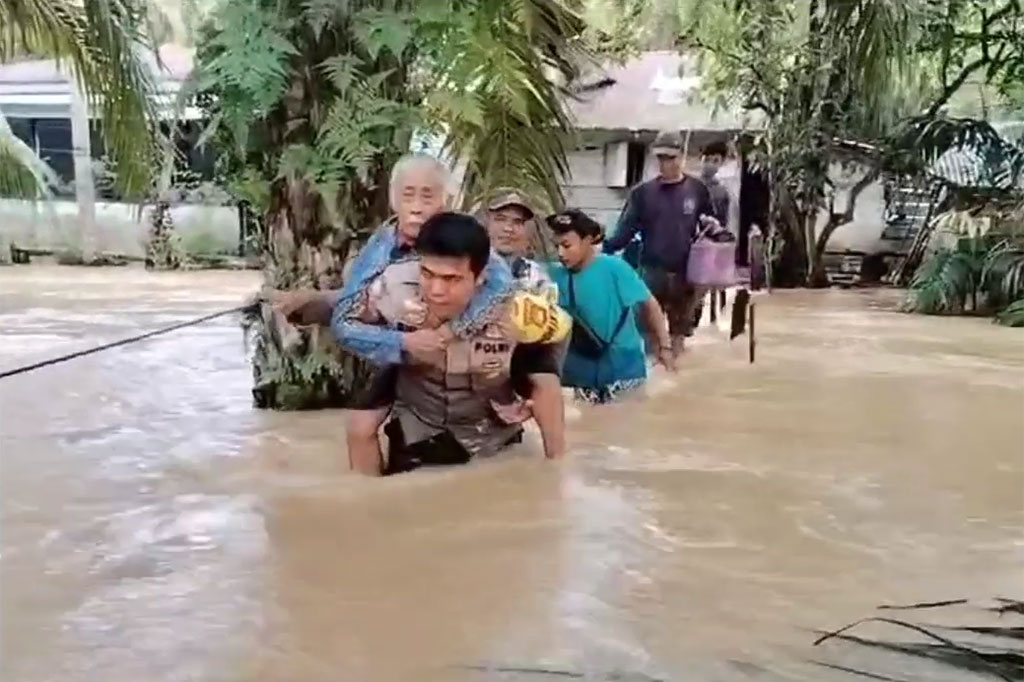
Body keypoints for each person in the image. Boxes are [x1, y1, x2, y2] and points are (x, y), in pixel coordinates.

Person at [271, 154, 516, 472]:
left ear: (445, 200)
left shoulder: (462, 238)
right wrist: (404, 343)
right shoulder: (381, 248)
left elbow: (503, 288)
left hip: (464, 350)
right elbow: (346, 319)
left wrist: (451, 331)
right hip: (399, 340)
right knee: (360, 426)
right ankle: (366, 500)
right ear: (392, 200)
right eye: (407, 194)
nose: (416, 206)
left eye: (427, 196)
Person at [351, 212, 568, 474]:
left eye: (451, 279)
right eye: (427, 274)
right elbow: (361, 428)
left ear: (480, 278)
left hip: (494, 450)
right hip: (417, 448)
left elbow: (546, 386)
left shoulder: (518, 316)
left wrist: (557, 471)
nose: (436, 290)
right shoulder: (396, 305)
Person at [603, 130, 720, 353]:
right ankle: (654, 382)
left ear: (682, 156)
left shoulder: (698, 190)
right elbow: (622, 235)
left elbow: (710, 226)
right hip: (650, 273)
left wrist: (716, 233)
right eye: (661, 158)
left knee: (678, 337)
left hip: (685, 275)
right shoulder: (642, 194)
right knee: (648, 337)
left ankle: (676, 381)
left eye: (670, 158)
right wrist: (598, 249)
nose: (665, 164)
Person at [547, 209, 675, 404]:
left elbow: (650, 305)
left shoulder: (615, 268)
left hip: (623, 369)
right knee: (587, 427)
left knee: (624, 425)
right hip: (580, 373)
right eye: (556, 246)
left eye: (566, 246)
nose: (560, 254)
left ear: (588, 240)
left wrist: (664, 347)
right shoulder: (551, 275)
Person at [483, 189, 556, 297]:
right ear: (487, 222)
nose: (508, 228)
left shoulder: (535, 276)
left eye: (517, 222)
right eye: (500, 219)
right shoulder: (470, 269)